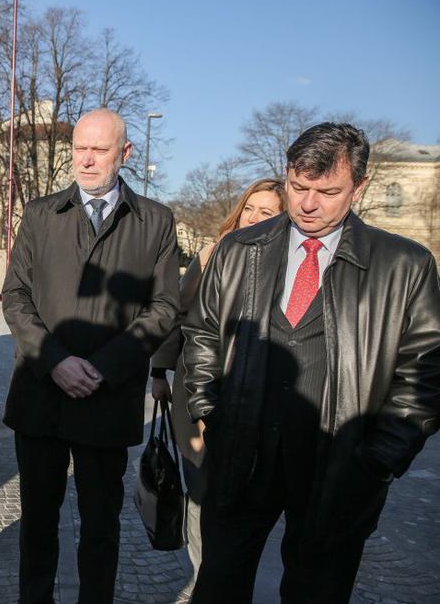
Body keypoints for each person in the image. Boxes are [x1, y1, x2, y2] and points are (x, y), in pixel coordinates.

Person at [183, 122, 440, 603]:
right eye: (298, 187)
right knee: (218, 587)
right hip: (241, 460)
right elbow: (201, 334)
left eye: (327, 191)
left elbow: (425, 373)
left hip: (340, 469)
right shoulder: (240, 250)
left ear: (359, 187)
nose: (307, 203)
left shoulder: (405, 266)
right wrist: (208, 409)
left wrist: (378, 458)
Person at [2, 108, 180, 603]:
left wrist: (104, 367)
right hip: (41, 395)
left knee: (100, 528)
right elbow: (15, 296)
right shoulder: (40, 215)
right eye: (80, 148)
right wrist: (54, 360)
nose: (86, 159)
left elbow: (164, 305)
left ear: (125, 154)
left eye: (99, 150)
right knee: (37, 524)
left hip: (107, 400)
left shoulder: (155, 221)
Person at [149, 178, 285, 598]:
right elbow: (179, 313)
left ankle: (221, 578)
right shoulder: (213, 253)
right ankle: (202, 576)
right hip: (196, 387)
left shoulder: (285, 262)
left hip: (253, 396)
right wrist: (159, 370)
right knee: (199, 487)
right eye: (251, 208)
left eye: (268, 212)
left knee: (238, 494)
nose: (256, 217)